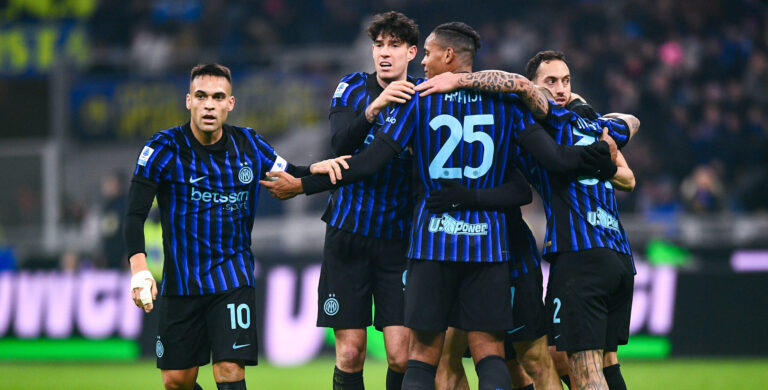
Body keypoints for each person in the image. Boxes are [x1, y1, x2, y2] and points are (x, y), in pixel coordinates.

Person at [261, 23, 617, 390]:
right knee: (490, 352)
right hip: (487, 248)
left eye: (428, 53)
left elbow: (367, 163)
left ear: (448, 55)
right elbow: (555, 160)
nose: (425, 62)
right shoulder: (507, 103)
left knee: (422, 357)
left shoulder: (419, 99)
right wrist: (601, 154)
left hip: (431, 245)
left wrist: (304, 182)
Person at [417, 50, 640, 390]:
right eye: (552, 82)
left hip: (578, 255)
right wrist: (587, 111)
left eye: (566, 81)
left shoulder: (546, 123)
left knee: (578, 365)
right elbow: (631, 130)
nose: (561, 89)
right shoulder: (593, 124)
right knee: (590, 360)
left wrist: (457, 79)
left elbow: (518, 85)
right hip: (618, 255)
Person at [123, 63, 347, 390]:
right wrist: (139, 269)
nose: (209, 104)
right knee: (175, 381)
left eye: (218, 97)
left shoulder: (248, 145)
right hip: (181, 283)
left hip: (232, 279)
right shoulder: (163, 149)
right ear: (189, 101)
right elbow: (133, 214)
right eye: (201, 96)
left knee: (229, 370)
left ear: (230, 103)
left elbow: (289, 173)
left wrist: (316, 169)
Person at [320, 11, 419, 390]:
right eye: (379, 45)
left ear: (411, 52)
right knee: (350, 352)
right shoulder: (351, 88)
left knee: (401, 354)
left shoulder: (423, 96)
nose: (384, 53)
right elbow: (339, 144)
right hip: (347, 235)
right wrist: (374, 109)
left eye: (395, 45)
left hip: (398, 241)